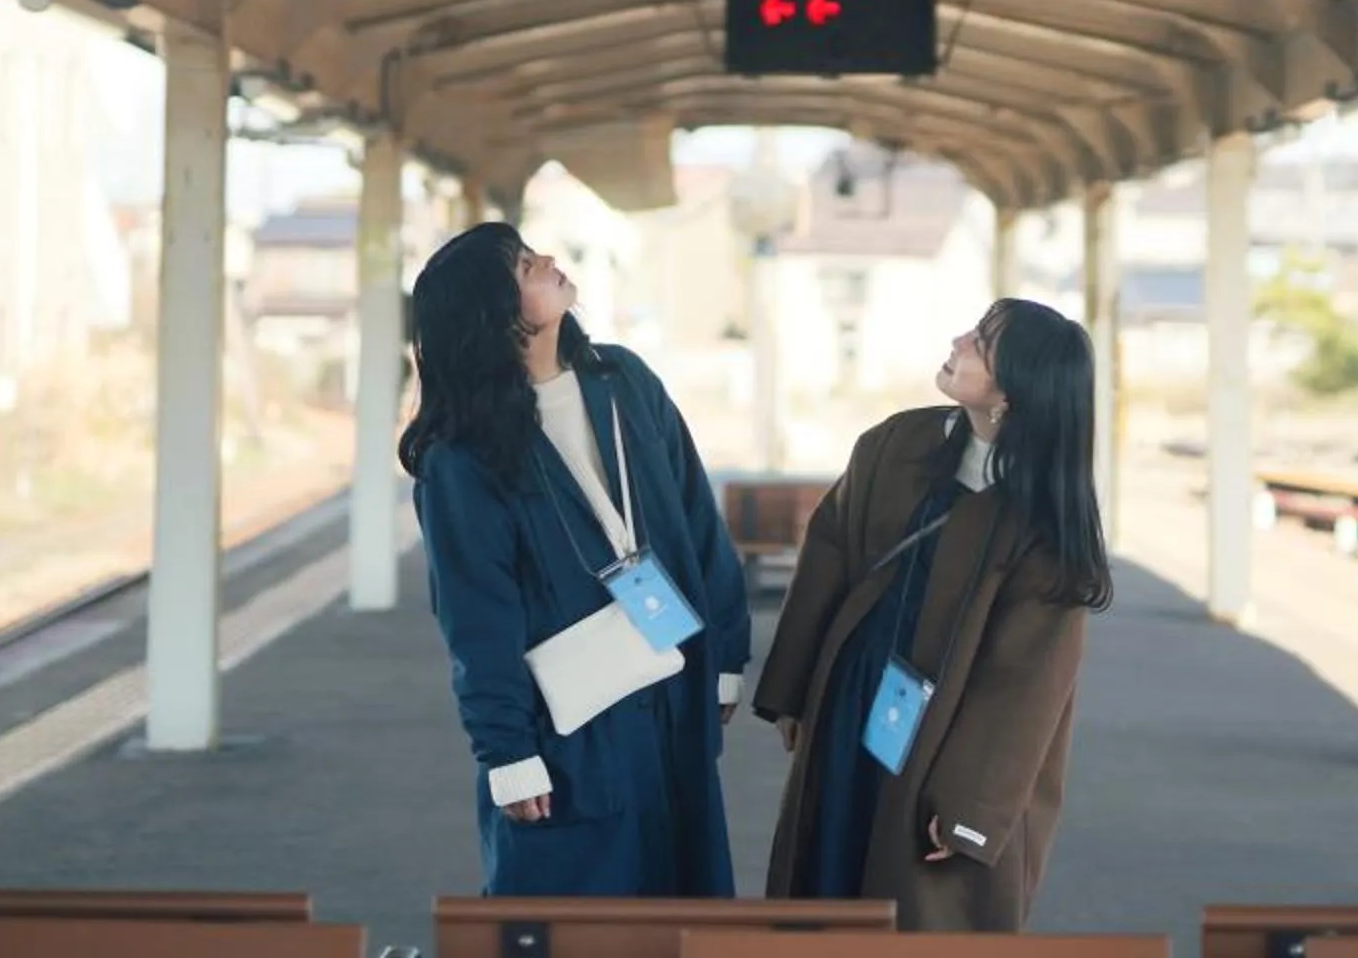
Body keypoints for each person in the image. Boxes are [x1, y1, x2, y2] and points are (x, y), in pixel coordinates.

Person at [403, 221, 752, 896]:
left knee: (683, 899)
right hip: (571, 721)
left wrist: (727, 655)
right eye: (526, 267)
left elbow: (696, 522)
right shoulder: (463, 458)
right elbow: (477, 620)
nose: (550, 263)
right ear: (493, 314)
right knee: (579, 903)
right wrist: (507, 751)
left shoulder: (623, 380)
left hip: (671, 688)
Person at [752, 298, 1112, 929]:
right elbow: (830, 551)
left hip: (945, 735)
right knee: (828, 877)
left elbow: (1028, 682)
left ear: (1014, 388)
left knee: (916, 901)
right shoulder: (900, 441)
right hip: (854, 701)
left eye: (982, 342)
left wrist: (972, 805)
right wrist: (795, 690)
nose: (959, 340)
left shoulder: (1045, 522)